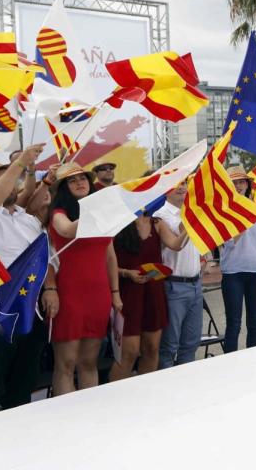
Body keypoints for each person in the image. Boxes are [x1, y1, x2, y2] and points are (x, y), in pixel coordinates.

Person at [0, 147, 58, 414]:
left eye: (12, 178)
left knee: (22, 388)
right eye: (0, 179)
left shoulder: (30, 221)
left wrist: (50, 288)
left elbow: (43, 258)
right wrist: (21, 163)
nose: (10, 183)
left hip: (29, 315)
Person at [47, 162, 121, 395]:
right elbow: (67, 230)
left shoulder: (101, 216)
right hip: (69, 294)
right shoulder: (58, 213)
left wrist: (115, 293)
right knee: (66, 364)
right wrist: (95, 212)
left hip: (98, 295)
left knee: (89, 362)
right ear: (64, 187)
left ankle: (91, 414)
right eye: (72, 180)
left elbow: (110, 256)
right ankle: (67, 418)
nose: (80, 182)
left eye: (83, 178)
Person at [107, 206, 184, 381]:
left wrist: (189, 229)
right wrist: (127, 273)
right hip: (127, 292)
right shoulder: (117, 224)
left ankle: (145, 395)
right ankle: (112, 399)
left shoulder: (156, 223)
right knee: (129, 352)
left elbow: (176, 244)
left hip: (153, 291)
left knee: (151, 348)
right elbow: (107, 264)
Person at [219, 166, 256, 353]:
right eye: (234, 182)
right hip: (233, 273)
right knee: (234, 323)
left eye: (241, 182)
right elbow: (228, 242)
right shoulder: (223, 210)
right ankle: (231, 364)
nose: (238, 186)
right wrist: (244, 218)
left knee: (254, 322)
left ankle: (253, 361)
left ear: (247, 184)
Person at [157, 180, 204, 368]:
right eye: (175, 184)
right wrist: (193, 215)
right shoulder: (161, 216)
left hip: (195, 285)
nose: (181, 187)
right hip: (174, 286)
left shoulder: (191, 211)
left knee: (191, 343)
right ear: (165, 191)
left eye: (184, 183)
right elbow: (179, 239)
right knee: (169, 346)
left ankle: (188, 386)